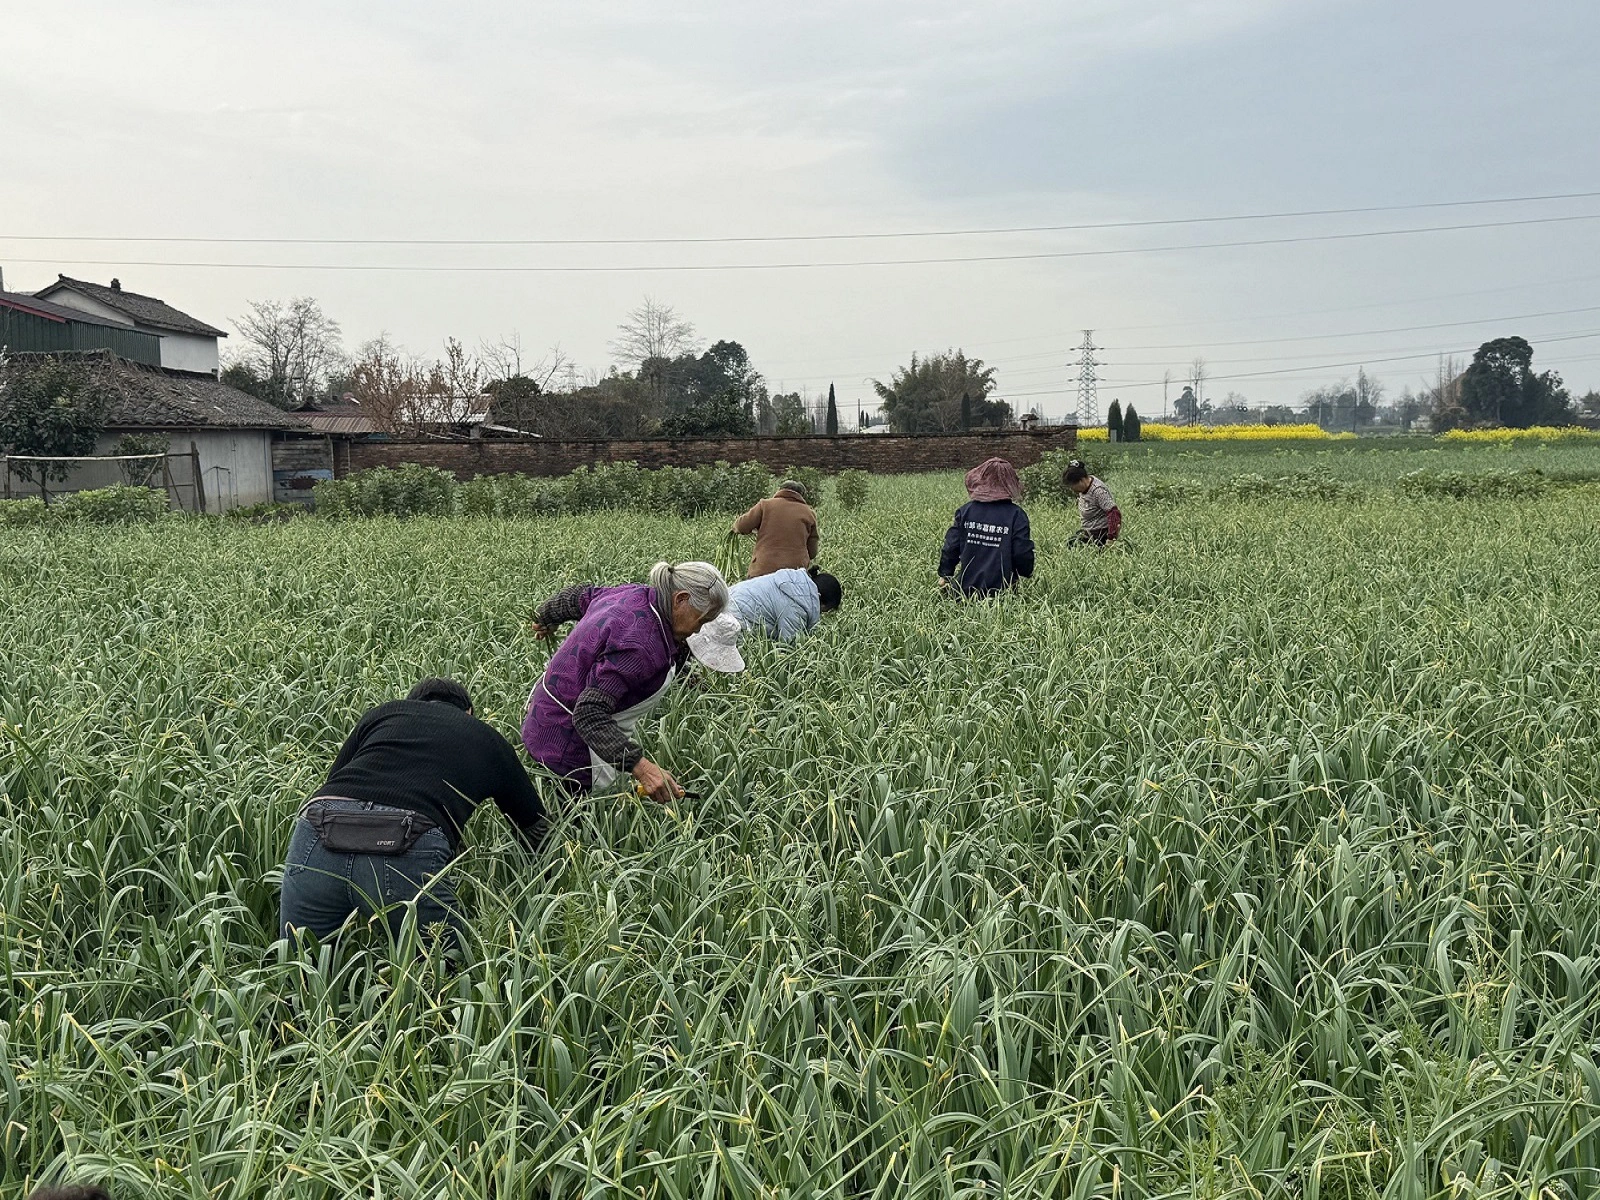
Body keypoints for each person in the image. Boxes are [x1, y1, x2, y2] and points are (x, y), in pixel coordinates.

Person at [279, 678, 545, 951]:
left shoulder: (384, 713)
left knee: (301, 974)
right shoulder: (487, 736)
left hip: (319, 830)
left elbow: (334, 782)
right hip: (408, 840)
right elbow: (536, 826)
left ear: (410, 704)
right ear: (469, 712)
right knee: (440, 974)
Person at [523, 561, 737, 804]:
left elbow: (578, 596)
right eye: (702, 620)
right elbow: (588, 714)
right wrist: (643, 769)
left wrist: (545, 616)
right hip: (569, 748)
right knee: (580, 829)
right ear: (681, 599)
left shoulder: (636, 595)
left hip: (542, 718)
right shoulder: (641, 647)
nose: (699, 630)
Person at [938, 457, 1035, 598]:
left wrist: (945, 574)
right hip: (1003, 594)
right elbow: (1021, 552)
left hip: (965, 591)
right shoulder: (1016, 515)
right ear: (1009, 483)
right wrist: (1026, 571)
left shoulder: (965, 512)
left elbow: (951, 546)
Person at [725, 565, 842, 642]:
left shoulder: (796, 583)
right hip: (735, 616)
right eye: (823, 610)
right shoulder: (798, 605)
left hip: (729, 598)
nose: (820, 614)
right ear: (819, 598)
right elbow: (788, 646)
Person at [732, 479, 819, 578]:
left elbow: (741, 526)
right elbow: (812, 552)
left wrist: (735, 527)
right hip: (795, 573)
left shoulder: (765, 505)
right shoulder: (809, 513)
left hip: (763, 570)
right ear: (801, 495)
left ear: (780, 490)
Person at [1064, 460, 1122, 546]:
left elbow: (1114, 513)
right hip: (1089, 530)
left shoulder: (1098, 491)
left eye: (1073, 486)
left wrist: (1111, 539)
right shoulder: (1084, 487)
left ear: (1082, 480)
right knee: (1070, 542)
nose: (1072, 489)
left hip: (1100, 533)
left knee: (1073, 545)